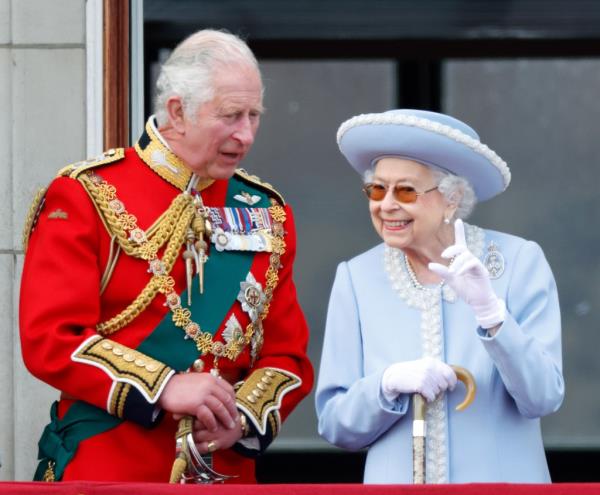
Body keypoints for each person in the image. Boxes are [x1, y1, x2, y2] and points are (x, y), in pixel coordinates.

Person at [20, 29, 313, 483]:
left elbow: (287, 357)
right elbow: (50, 339)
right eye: (232, 115)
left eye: (255, 115)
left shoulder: (265, 212)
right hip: (110, 469)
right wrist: (165, 387)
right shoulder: (87, 194)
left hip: (225, 471)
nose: (247, 133)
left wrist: (242, 419)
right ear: (177, 111)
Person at [315, 109, 564, 483]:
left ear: (452, 198)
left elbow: (543, 397)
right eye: (378, 189)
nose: (386, 205)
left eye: (405, 191)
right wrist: (385, 385)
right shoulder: (356, 277)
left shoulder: (518, 262)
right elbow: (336, 424)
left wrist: (492, 314)